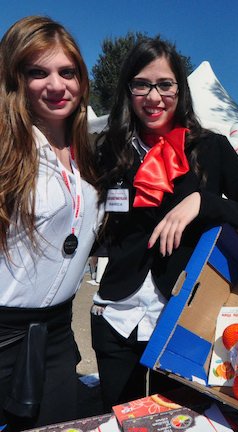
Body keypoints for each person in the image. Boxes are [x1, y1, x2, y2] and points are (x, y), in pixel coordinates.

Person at [91, 37, 238, 411]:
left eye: (165, 84)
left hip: (182, 318)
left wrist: (203, 202)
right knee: (120, 420)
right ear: (128, 89)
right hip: (116, 318)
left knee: (176, 423)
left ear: (180, 89)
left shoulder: (211, 148)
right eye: (142, 84)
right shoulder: (111, 150)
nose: (154, 96)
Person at [0, 16, 102, 431]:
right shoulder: (7, 149)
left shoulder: (86, 155)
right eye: (38, 73)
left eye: (67, 72)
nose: (57, 86)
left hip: (58, 334)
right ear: (16, 79)